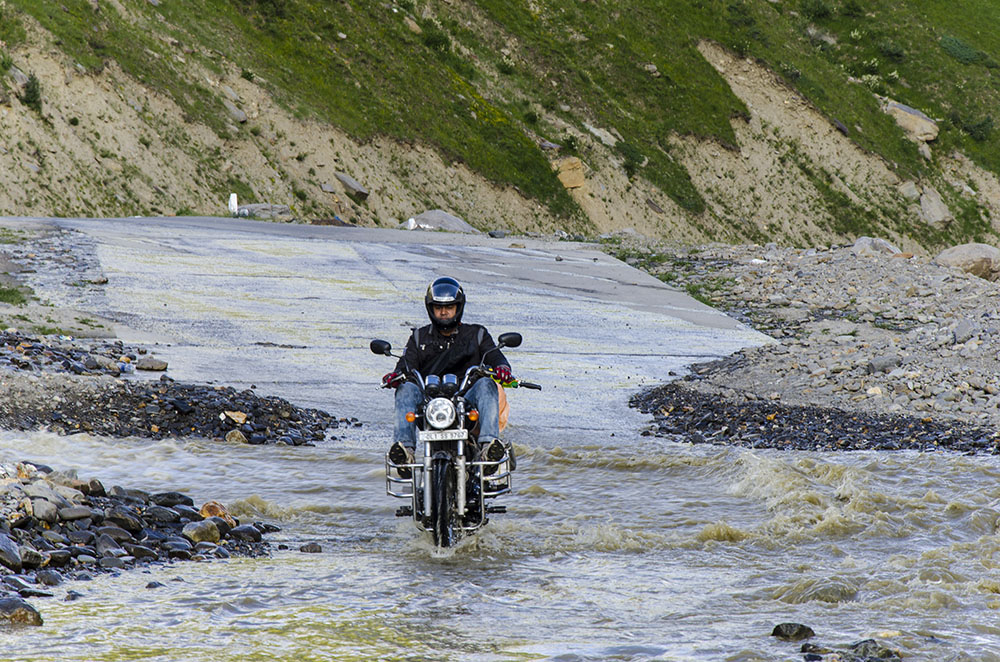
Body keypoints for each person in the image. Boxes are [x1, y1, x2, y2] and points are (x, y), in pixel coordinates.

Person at [383, 276, 512, 479]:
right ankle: (405, 452)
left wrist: (503, 368)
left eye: (449, 306)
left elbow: (496, 357)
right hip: (429, 401)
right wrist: (394, 376)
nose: (444, 312)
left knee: (487, 383)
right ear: (430, 309)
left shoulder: (477, 334)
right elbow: (405, 366)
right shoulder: (419, 337)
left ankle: (489, 448)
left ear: (458, 307)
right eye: (438, 307)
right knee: (405, 388)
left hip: (466, 399)